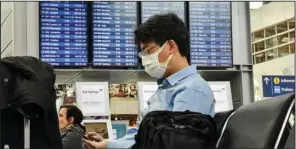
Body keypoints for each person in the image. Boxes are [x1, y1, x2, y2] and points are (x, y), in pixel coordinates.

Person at [83, 13, 216, 149]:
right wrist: (108, 144)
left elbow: (174, 143)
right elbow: (141, 137)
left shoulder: (192, 91)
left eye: (148, 51)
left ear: (171, 46)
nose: (144, 58)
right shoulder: (166, 88)